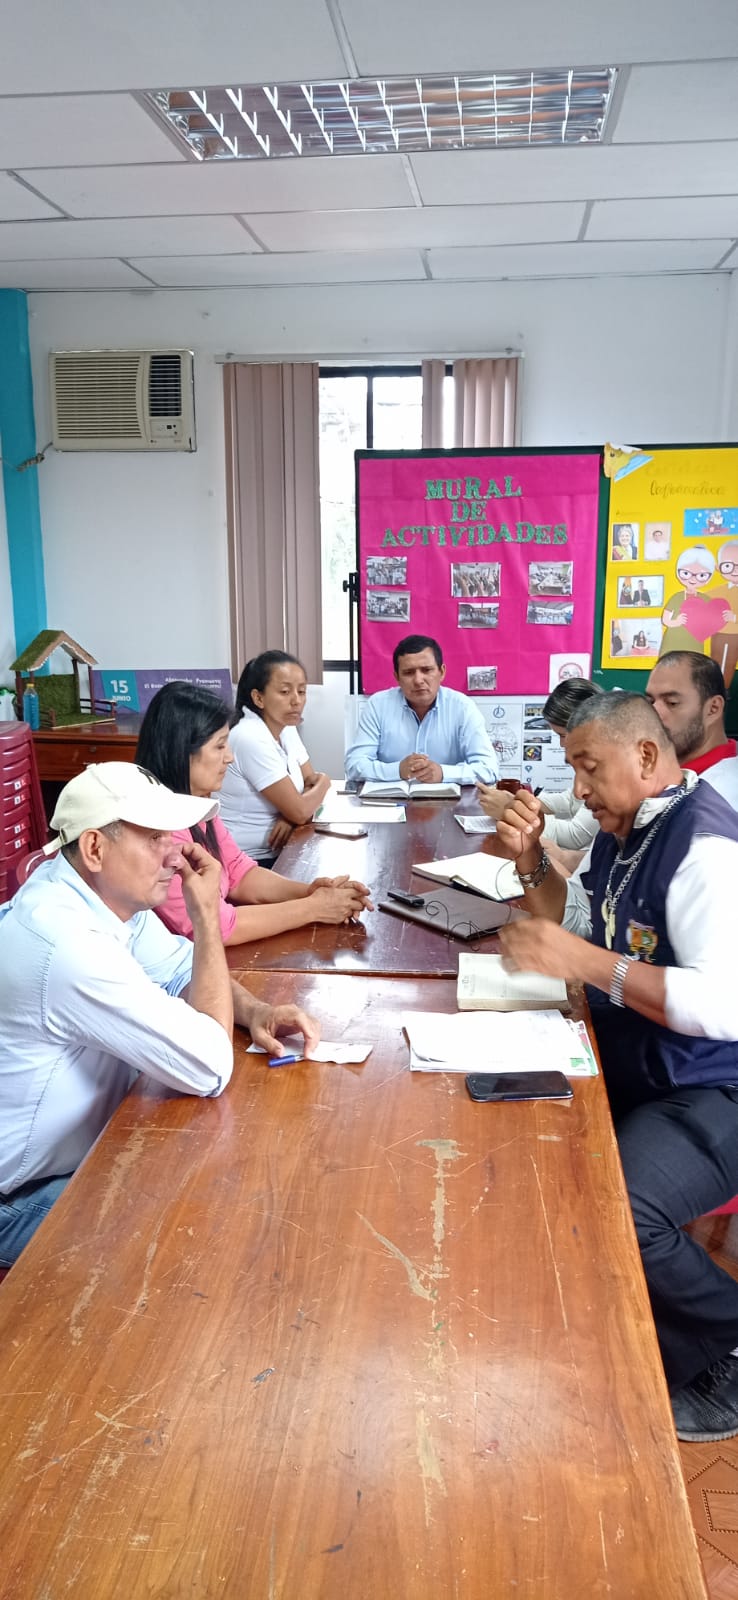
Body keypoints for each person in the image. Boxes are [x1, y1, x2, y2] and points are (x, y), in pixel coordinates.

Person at [493, 693, 738, 1442]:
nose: (579, 789)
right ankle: (617, 1319)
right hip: (640, 1061)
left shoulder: (705, 849)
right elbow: (577, 922)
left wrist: (585, 963)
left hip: (711, 1085)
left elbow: (722, 1006)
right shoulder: (626, 828)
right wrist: (531, 859)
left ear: (644, 755)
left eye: (589, 768)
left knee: (622, 1201)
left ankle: (727, 1348)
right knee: (528, 1138)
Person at [0, 763, 319, 1266]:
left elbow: (179, 970)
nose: (175, 854)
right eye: (154, 838)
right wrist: (206, 917)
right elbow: (208, 1066)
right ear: (95, 848)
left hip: (85, 1147)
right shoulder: (67, 945)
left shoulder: (101, 897)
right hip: (20, 1199)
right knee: (204, 1234)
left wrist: (253, 1009)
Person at [137, 681, 372, 944]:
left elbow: (239, 873)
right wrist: (314, 908)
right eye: (219, 746)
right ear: (181, 750)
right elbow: (214, 926)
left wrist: (311, 892)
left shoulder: (198, 805)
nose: (229, 757)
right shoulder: (157, 833)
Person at [218, 652, 330, 863]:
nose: (296, 701)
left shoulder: (285, 727)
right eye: (285, 692)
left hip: (284, 847)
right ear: (258, 698)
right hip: (245, 859)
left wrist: (290, 817)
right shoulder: (249, 736)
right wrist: (325, 782)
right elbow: (305, 803)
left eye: (302, 691)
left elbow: (309, 781)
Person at [345, 634, 498, 785]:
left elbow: (489, 769)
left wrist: (443, 773)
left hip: (449, 800)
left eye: (426, 670)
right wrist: (397, 770)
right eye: (408, 672)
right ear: (397, 677)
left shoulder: (462, 707)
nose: (418, 680)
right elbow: (354, 766)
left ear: (442, 672)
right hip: (391, 799)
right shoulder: (378, 705)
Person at [477, 678, 600, 852]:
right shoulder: (588, 764)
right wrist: (519, 801)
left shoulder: (608, 771)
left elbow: (574, 836)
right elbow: (570, 801)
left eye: (563, 735)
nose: (562, 744)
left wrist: (511, 810)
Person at [646, 651, 738, 808]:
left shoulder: (723, 800)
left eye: (672, 703)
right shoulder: (656, 775)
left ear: (713, 709)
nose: (654, 712)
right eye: (651, 701)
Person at [661, 545, 720, 654]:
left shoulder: (705, 599)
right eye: (686, 573)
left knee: (694, 662)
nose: (693, 579)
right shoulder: (677, 597)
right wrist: (676, 622)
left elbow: (715, 620)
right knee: (671, 661)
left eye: (701, 575)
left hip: (694, 642)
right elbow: (665, 619)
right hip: (674, 640)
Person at [709, 540, 738, 689]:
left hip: (734, 634)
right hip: (721, 634)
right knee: (718, 661)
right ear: (718, 568)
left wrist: (735, 618)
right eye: (728, 566)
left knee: (729, 662)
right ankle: (719, 689)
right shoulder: (718, 591)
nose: (734, 571)